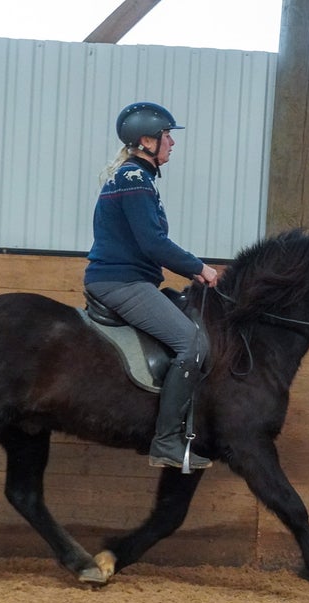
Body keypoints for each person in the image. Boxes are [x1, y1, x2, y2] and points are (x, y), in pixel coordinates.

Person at [84, 101, 219, 472]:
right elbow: (153, 244)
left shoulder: (135, 179)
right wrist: (198, 268)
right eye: (167, 136)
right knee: (192, 343)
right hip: (122, 282)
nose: (172, 143)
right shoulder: (134, 180)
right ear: (146, 140)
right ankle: (166, 442)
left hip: (128, 279)